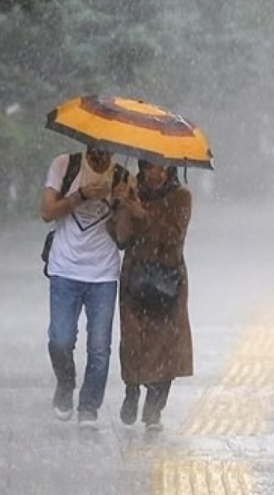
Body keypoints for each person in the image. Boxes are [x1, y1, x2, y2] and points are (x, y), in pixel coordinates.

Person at [40, 146, 133, 429]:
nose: (102, 156)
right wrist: (80, 195)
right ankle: (65, 383)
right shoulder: (64, 164)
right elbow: (46, 212)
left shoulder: (122, 176)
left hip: (103, 273)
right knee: (60, 339)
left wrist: (121, 205)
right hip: (65, 269)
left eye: (108, 151)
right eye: (97, 149)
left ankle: (89, 406)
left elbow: (124, 238)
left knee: (99, 346)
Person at [109, 159, 193, 432]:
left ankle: (154, 408)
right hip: (136, 276)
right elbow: (120, 239)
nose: (154, 173)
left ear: (170, 169)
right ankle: (132, 389)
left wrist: (142, 214)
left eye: (160, 167)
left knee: (167, 346)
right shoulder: (132, 189)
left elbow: (173, 236)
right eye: (149, 167)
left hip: (168, 277)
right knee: (133, 339)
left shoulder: (181, 197)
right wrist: (121, 206)